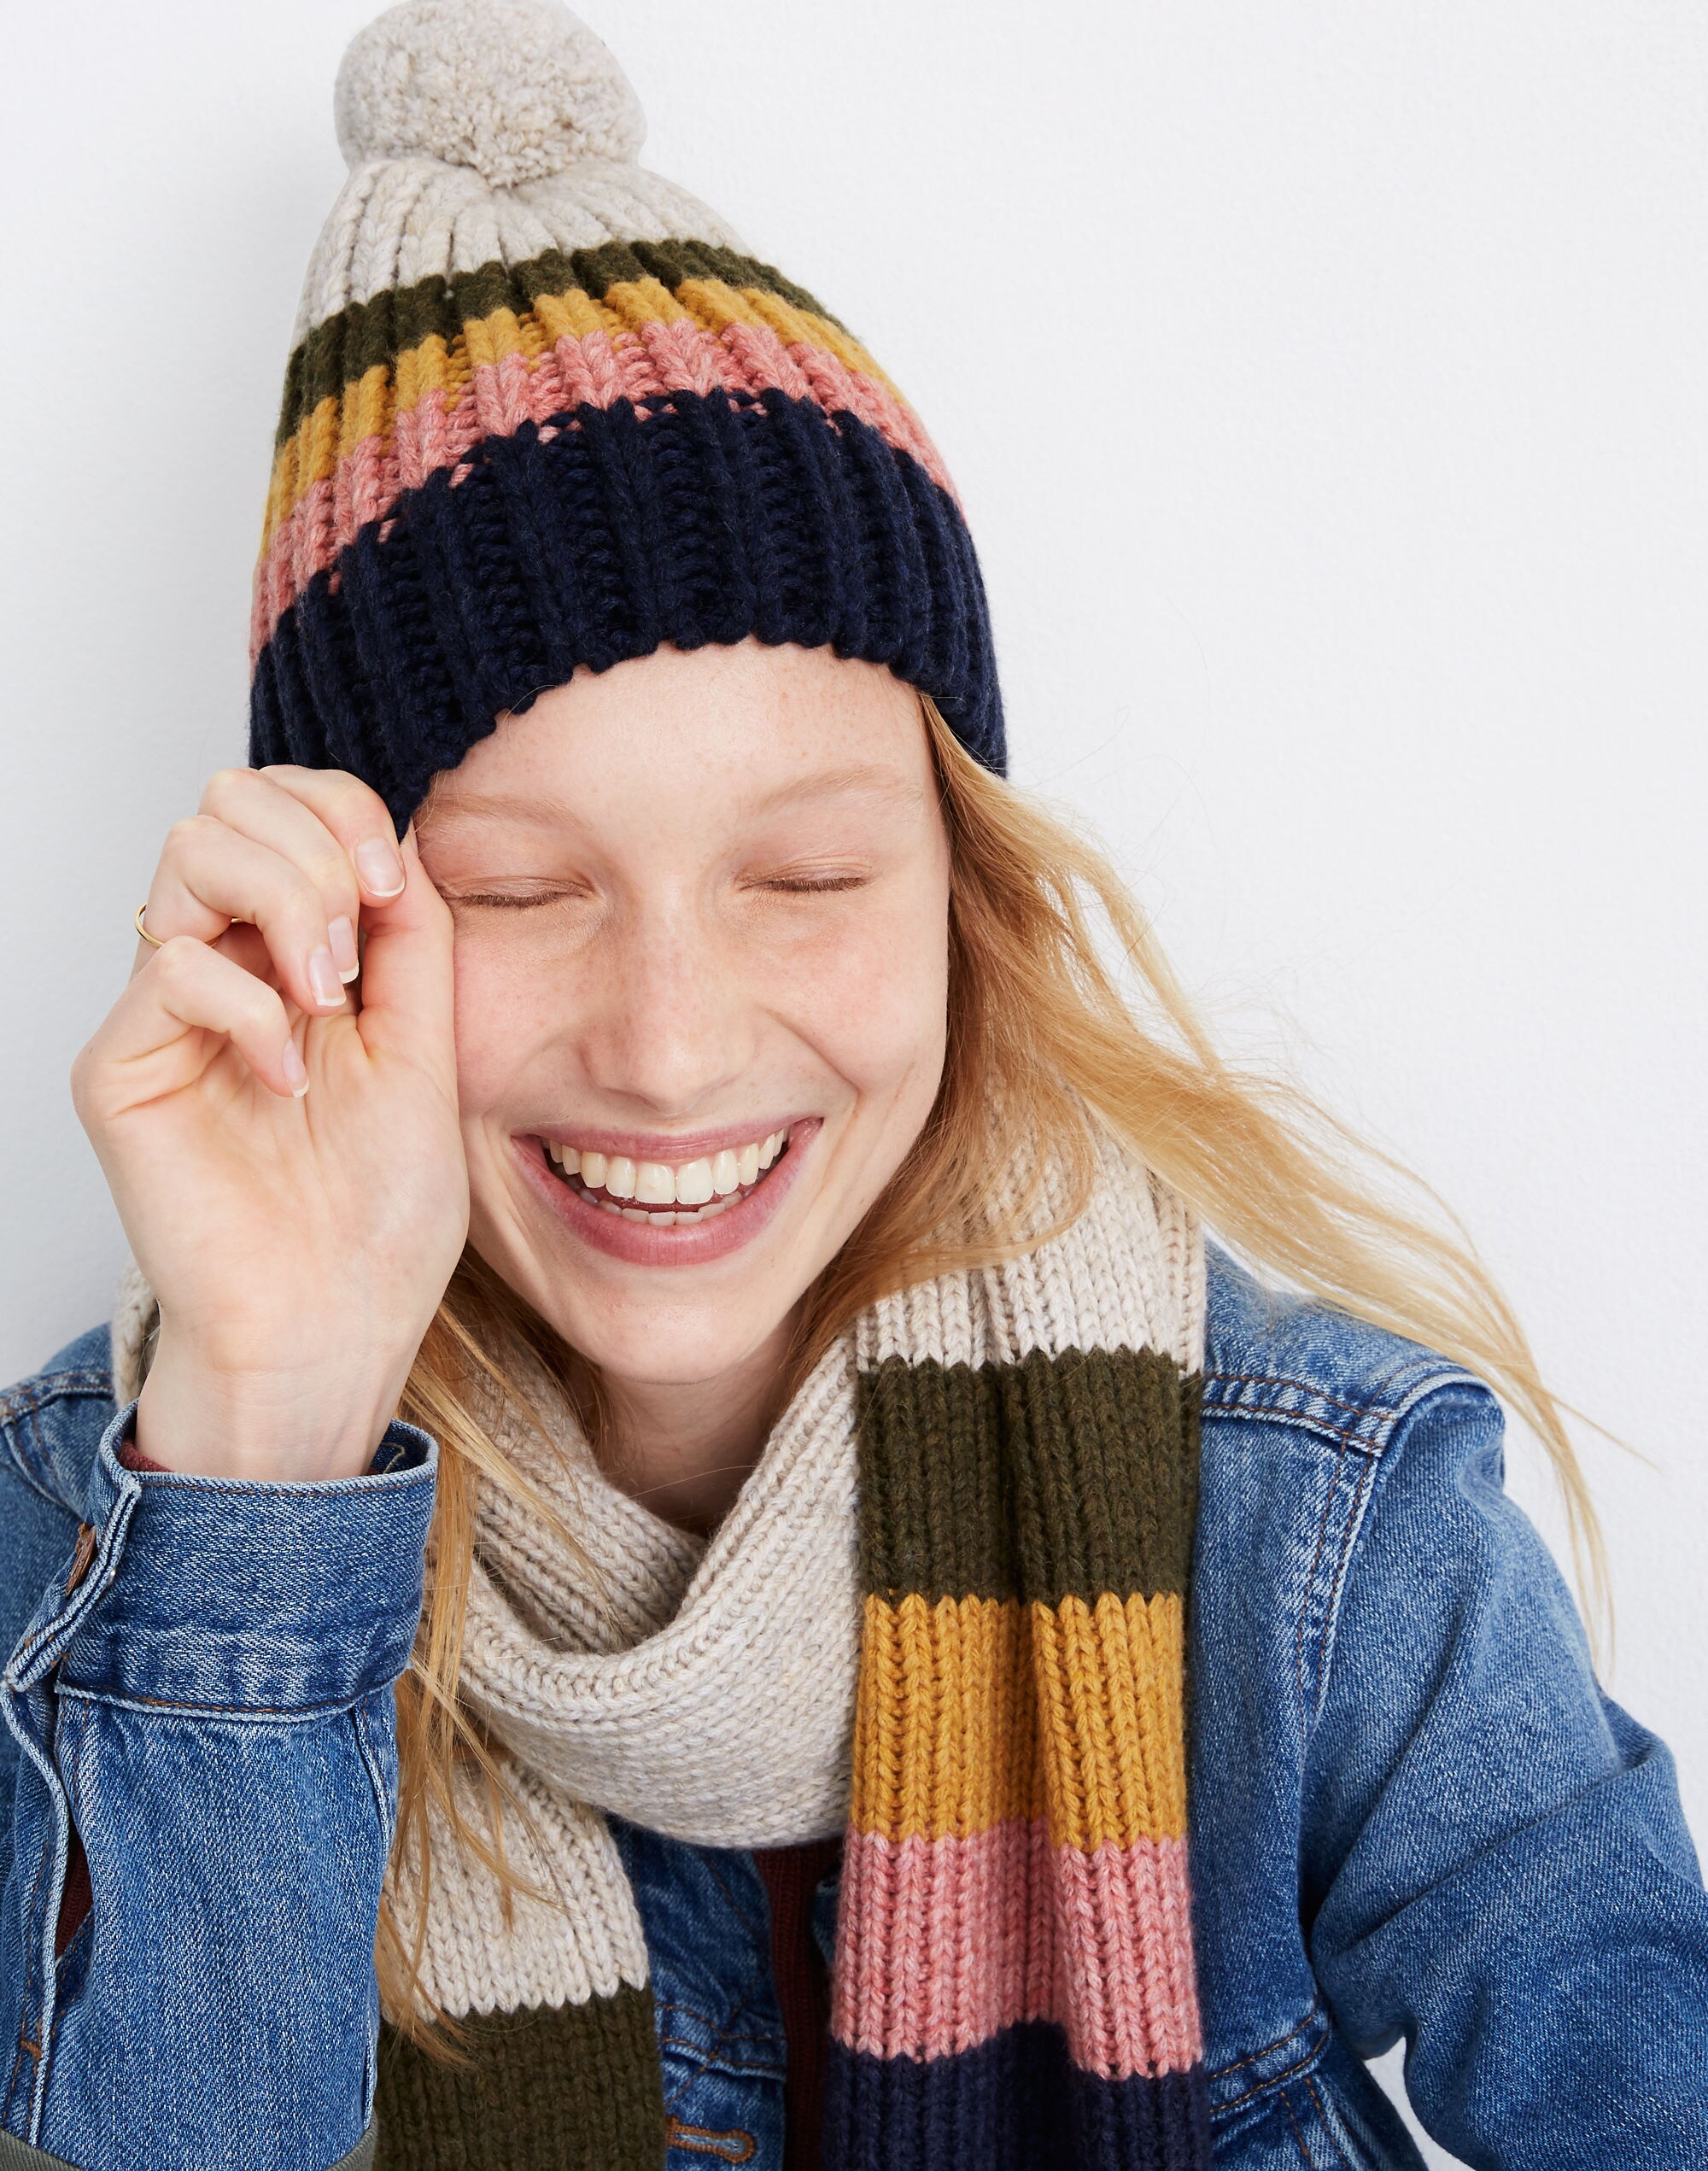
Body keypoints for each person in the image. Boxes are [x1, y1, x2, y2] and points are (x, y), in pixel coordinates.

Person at [3, 3, 1704, 2167]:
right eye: (520, 890)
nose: (676, 1040)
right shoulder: (101, 1526)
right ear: (333, 927)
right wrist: (263, 1455)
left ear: (958, 895)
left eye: (802, 871)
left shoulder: (1321, 1524)